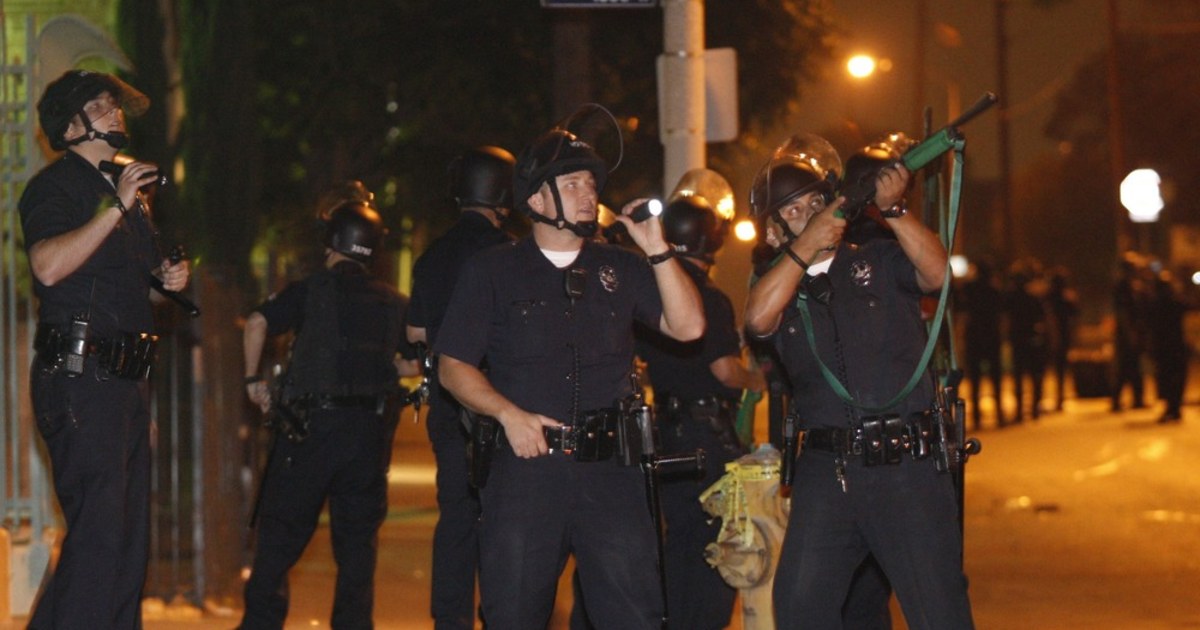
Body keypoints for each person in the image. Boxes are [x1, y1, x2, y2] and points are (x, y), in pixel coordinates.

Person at [434, 114, 705, 629]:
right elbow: (453, 366)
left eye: (592, 183)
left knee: (637, 617)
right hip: (525, 473)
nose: (588, 192)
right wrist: (508, 415)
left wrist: (657, 250)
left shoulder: (621, 267)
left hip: (613, 474)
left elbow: (689, 328)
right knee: (512, 614)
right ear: (535, 200)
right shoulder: (492, 269)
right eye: (572, 182)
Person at [743, 133, 975, 629]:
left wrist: (894, 211)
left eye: (814, 202)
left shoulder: (877, 259)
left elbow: (937, 274)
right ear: (770, 232)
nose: (808, 212)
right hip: (828, 473)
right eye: (792, 210)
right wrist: (808, 244)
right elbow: (758, 319)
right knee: (800, 607)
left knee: (941, 612)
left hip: (907, 468)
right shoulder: (777, 287)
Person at [20, 69, 190, 629]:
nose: (117, 115)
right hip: (78, 377)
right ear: (71, 126)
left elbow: (128, 291)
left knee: (125, 546)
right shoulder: (55, 188)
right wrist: (115, 208)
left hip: (124, 384)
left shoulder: (130, 201)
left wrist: (166, 281)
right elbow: (47, 266)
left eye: (118, 106)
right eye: (102, 106)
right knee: (98, 542)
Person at [239, 194, 416, 628]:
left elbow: (259, 323)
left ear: (333, 243)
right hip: (368, 437)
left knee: (280, 538)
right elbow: (415, 361)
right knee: (357, 548)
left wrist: (252, 381)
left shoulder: (311, 289)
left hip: (310, 431)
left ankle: (260, 622)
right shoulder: (395, 301)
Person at [631, 169, 764, 629]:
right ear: (714, 240)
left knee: (679, 543)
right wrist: (759, 378)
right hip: (709, 439)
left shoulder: (651, 291)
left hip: (666, 435)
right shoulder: (707, 298)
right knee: (714, 552)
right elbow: (725, 371)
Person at [406, 145, 516, 629]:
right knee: (507, 522)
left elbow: (414, 335)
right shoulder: (512, 254)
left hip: (451, 407)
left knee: (455, 519)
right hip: (504, 402)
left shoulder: (431, 257)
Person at [958, 261, 1007, 429]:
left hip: (974, 336)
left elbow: (961, 308)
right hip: (991, 335)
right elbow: (1002, 314)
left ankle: (977, 416)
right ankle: (999, 413)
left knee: (976, 379)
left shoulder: (969, 288)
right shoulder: (994, 290)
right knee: (995, 377)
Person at [1006, 259, 1050, 422]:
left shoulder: (1013, 297)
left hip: (1021, 338)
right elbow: (1041, 319)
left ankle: (1023, 409)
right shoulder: (1031, 297)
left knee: (1022, 375)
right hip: (1030, 338)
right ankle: (1033, 407)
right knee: (1033, 374)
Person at [1148, 267, 1191, 424]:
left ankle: (1173, 408)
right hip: (1171, 347)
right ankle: (1174, 408)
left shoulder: (1157, 304)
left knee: (1169, 379)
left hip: (1168, 347)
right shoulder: (1171, 302)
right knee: (1172, 379)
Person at [1112, 252, 1150, 412]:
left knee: (1134, 367)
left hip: (1134, 332)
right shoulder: (1122, 286)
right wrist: (1130, 333)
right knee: (1125, 367)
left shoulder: (1134, 284)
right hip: (1127, 334)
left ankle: (1137, 399)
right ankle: (1117, 400)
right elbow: (1123, 313)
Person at [1045, 266, 1080, 412]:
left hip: (1052, 335)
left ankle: (1057, 398)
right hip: (1061, 335)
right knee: (1060, 369)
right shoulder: (1064, 297)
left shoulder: (1050, 296)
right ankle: (1059, 397)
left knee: (1055, 369)